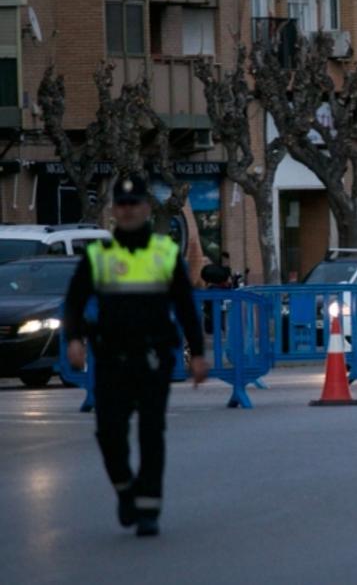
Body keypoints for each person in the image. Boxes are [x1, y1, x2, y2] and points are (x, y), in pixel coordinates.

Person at [63, 175, 208, 537]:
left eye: (134, 205)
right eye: (122, 205)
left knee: (150, 433)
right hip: (111, 359)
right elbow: (75, 302)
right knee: (108, 433)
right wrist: (74, 339)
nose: (128, 211)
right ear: (114, 210)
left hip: (153, 357)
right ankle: (125, 488)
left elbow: (185, 306)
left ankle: (148, 509)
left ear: (146, 208)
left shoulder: (164, 253)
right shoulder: (99, 255)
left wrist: (198, 353)